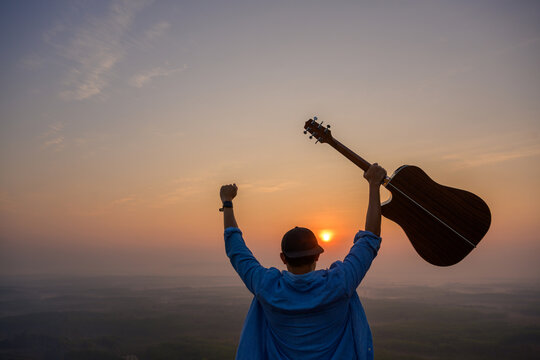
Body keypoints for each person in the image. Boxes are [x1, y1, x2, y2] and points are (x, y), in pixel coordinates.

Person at [220, 163, 387, 360]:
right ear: (317, 256)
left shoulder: (266, 287)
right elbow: (370, 240)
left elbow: (236, 249)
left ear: (283, 258)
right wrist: (374, 185)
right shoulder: (340, 284)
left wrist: (227, 202)